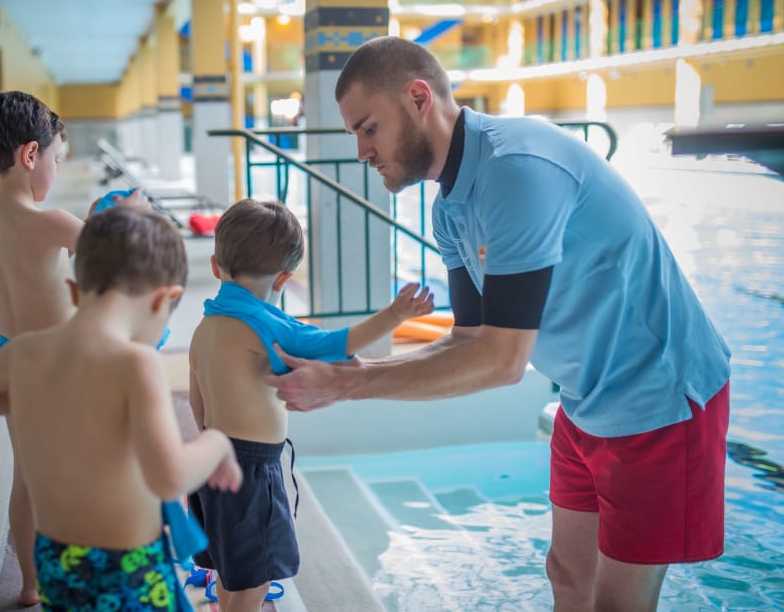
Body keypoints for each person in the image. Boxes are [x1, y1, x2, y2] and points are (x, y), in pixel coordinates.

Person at [266, 36, 731, 612]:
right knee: (567, 572)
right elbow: (468, 339)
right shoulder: (448, 208)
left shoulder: (516, 169)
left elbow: (503, 361)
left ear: (418, 98)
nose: (363, 151)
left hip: (658, 397)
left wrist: (346, 385)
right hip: (587, 397)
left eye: (369, 128)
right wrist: (356, 370)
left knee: (617, 602)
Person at [0, 207, 243, 610]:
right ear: (165, 299)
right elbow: (168, 477)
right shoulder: (136, 363)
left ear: (73, 291)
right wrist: (217, 444)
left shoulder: (25, 352)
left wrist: (36, 395)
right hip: (127, 571)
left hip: (57, 563)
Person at [187, 198, 434, 611]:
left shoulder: (206, 326)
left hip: (212, 461)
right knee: (255, 582)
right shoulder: (264, 325)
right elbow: (338, 343)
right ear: (284, 278)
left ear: (216, 266)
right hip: (251, 471)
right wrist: (395, 314)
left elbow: (197, 400)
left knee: (233, 571)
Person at [0, 90, 145, 605]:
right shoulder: (52, 222)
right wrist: (125, 215)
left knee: (26, 476)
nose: (57, 168)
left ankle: (29, 585)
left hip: (11, 357)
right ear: (30, 155)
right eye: (57, 158)